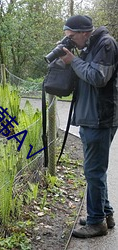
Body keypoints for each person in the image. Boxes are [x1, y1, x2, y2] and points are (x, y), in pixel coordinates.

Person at [60, 15, 118, 238]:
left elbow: (97, 77)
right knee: (95, 171)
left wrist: (73, 61)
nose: (71, 41)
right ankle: (105, 214)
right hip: (90, 117)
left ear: (84, 32)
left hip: (100, 118)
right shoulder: (89, 46)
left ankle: (96, 223)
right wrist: (70, 60)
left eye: (72, 37)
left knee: (93, 171)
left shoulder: (106, 44)